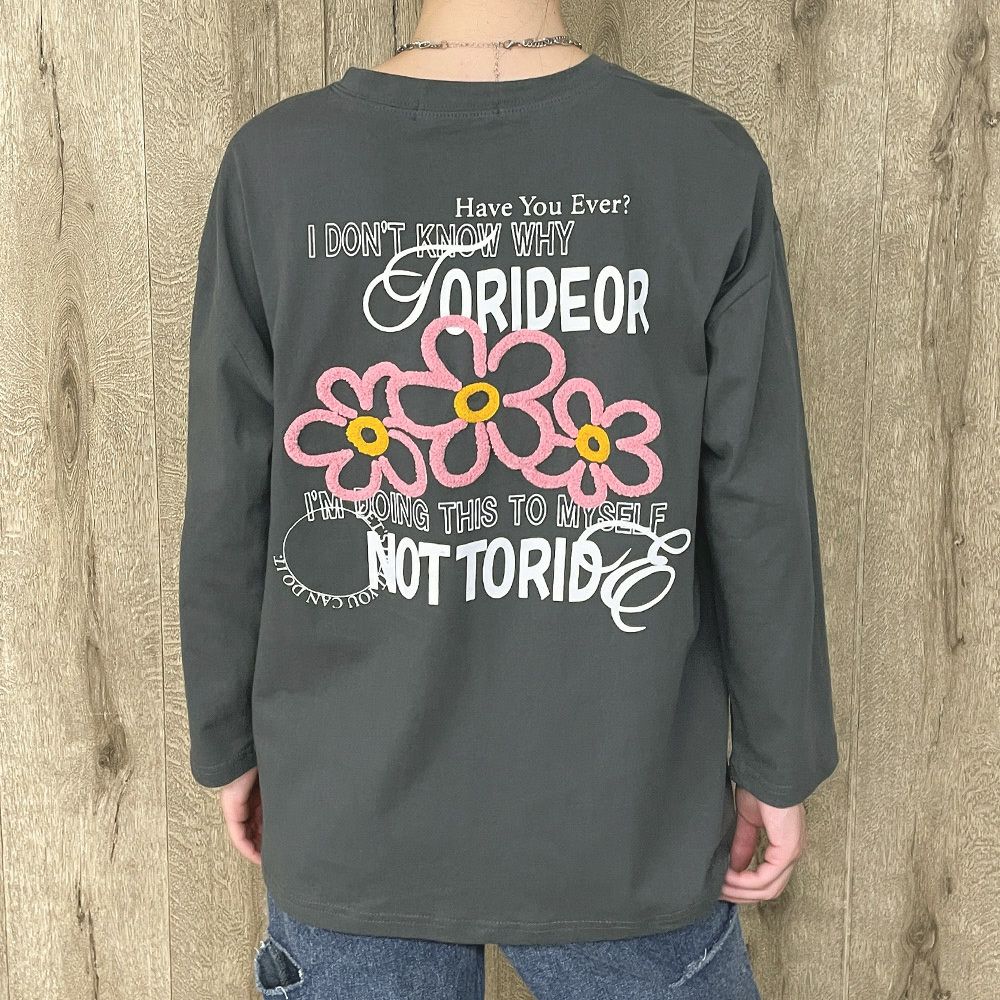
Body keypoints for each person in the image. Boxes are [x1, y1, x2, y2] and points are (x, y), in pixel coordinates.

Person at [178, 0, 839, 996]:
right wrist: (778, 760)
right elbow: (758, 499)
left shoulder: (276, 166)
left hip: (355, 810)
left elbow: (231, 494)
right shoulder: (700, 162)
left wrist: (226, 740)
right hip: (622, 817)